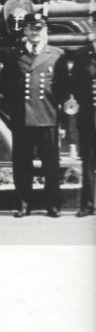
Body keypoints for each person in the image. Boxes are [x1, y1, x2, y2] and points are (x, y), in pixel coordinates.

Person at [0, 13, 69, 217]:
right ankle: (24, 203)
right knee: (22, 163)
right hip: (22, 118)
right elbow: (4, 86)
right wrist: (14, 108)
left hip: (48, 116)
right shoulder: (14, 55)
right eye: (31, 28)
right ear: (25, 30)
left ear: (45, 31)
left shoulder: (57, 54)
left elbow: (63, 90)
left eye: (39, 28)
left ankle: (53, 204)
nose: (35, 32)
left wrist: (62, 121)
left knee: (51, 164)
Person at [71, 13, 96, 217]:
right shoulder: (82, 56)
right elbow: (76, 88)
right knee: (88, 162)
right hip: (89, 117)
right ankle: (88, 204)